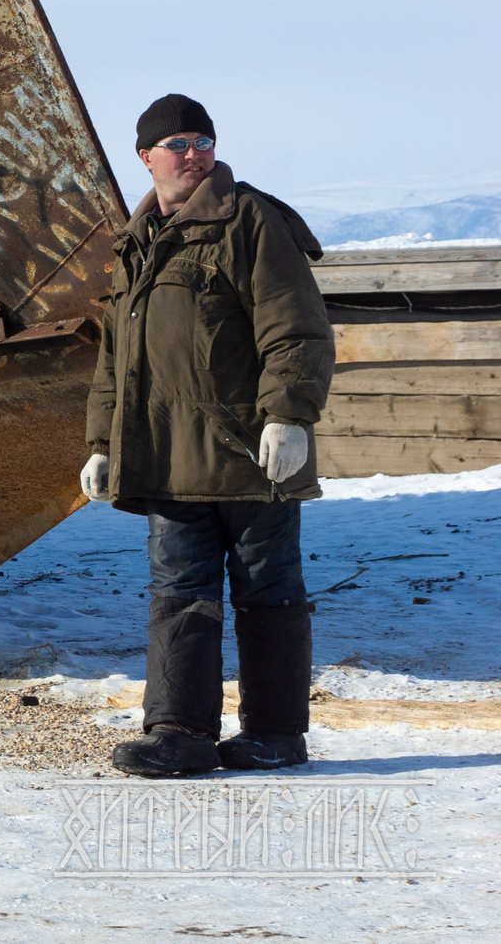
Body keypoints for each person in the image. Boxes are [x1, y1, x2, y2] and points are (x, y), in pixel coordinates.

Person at [83, 93, 334, 777]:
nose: (194, 153)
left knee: (268, 591)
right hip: (167, 457)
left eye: (203, 140)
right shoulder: (134, 241)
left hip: (252, 454)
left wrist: (289, 415)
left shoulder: (251, 220)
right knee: (178, 595)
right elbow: (116, 355)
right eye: (178, 143)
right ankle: (179, 731)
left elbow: (297, 327)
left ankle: (276, 733)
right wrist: (103, 441)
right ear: (147, 157)